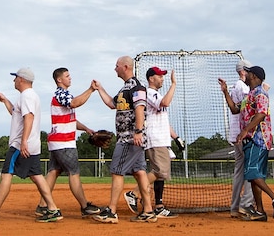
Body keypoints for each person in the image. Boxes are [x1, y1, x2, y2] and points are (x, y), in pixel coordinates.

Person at [0, 68, 62, 224]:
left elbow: (29, 117)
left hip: (21, 143)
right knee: (37, 176)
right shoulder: (30, 96)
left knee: (6, 174)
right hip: (32, 143)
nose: (14, 80)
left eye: (15, 78)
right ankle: (53, 209)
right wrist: (5, 100)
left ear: (21, 79)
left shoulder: (26, 96)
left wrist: (23, 141)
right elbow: (16, 114)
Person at [90, 56, 156, 223]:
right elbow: (112, 104)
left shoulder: (137, 87)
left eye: (117, 66)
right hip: (131, 138)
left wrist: (138, 132)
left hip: (129, 138)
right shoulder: (125, 89)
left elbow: (140, 108)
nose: (115, 68)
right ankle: (148, 211)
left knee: (116, 171)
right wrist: (100, 89)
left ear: (125, 67)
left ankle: (111, 211)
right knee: (140, 172)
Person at [40, 67, 102, 217]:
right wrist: (90, 90)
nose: (70, 78)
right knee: (74, 173)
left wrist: (86, 129)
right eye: (67, 76)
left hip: (57, 142)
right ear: (59, 80)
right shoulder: (61, 93)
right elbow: (74, 103)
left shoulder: (62, 95)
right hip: (64, 142)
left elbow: (70, 119)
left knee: (53, 172)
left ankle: (42, 205)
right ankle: (84, 206)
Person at [222, 65, 274, 221]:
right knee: (254, 176)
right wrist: (225, 92)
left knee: (252, 173)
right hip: (251, 139)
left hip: (259, 138)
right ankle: (260, 211)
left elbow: (261, 114)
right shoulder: (249, 95)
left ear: (254, 76)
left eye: (248, 73)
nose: (245, 74)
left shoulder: (261, 93)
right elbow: (235, 110)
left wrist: (245, 130)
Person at [130, 66, 178, 218]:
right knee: (159, 171)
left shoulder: (155, 93)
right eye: (159, 76)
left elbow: (163, 119)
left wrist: (176, 137)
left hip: (162, 138)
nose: (162, 78)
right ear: (151, 78)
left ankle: (158, 206)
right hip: (155, 138)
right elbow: (165, 103)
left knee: (161, 173)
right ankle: (134, 193)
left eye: (163, 76)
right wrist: (173, 85)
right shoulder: (149, 93)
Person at [220, 61, 255, 218]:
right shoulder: (242, 87)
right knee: (250, 170)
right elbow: (243, 110)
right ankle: (246, 205)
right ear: (243, 72)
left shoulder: (238, 86)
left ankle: (235, 207)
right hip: (242, 133)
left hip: (237, 133)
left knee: (239, 171)